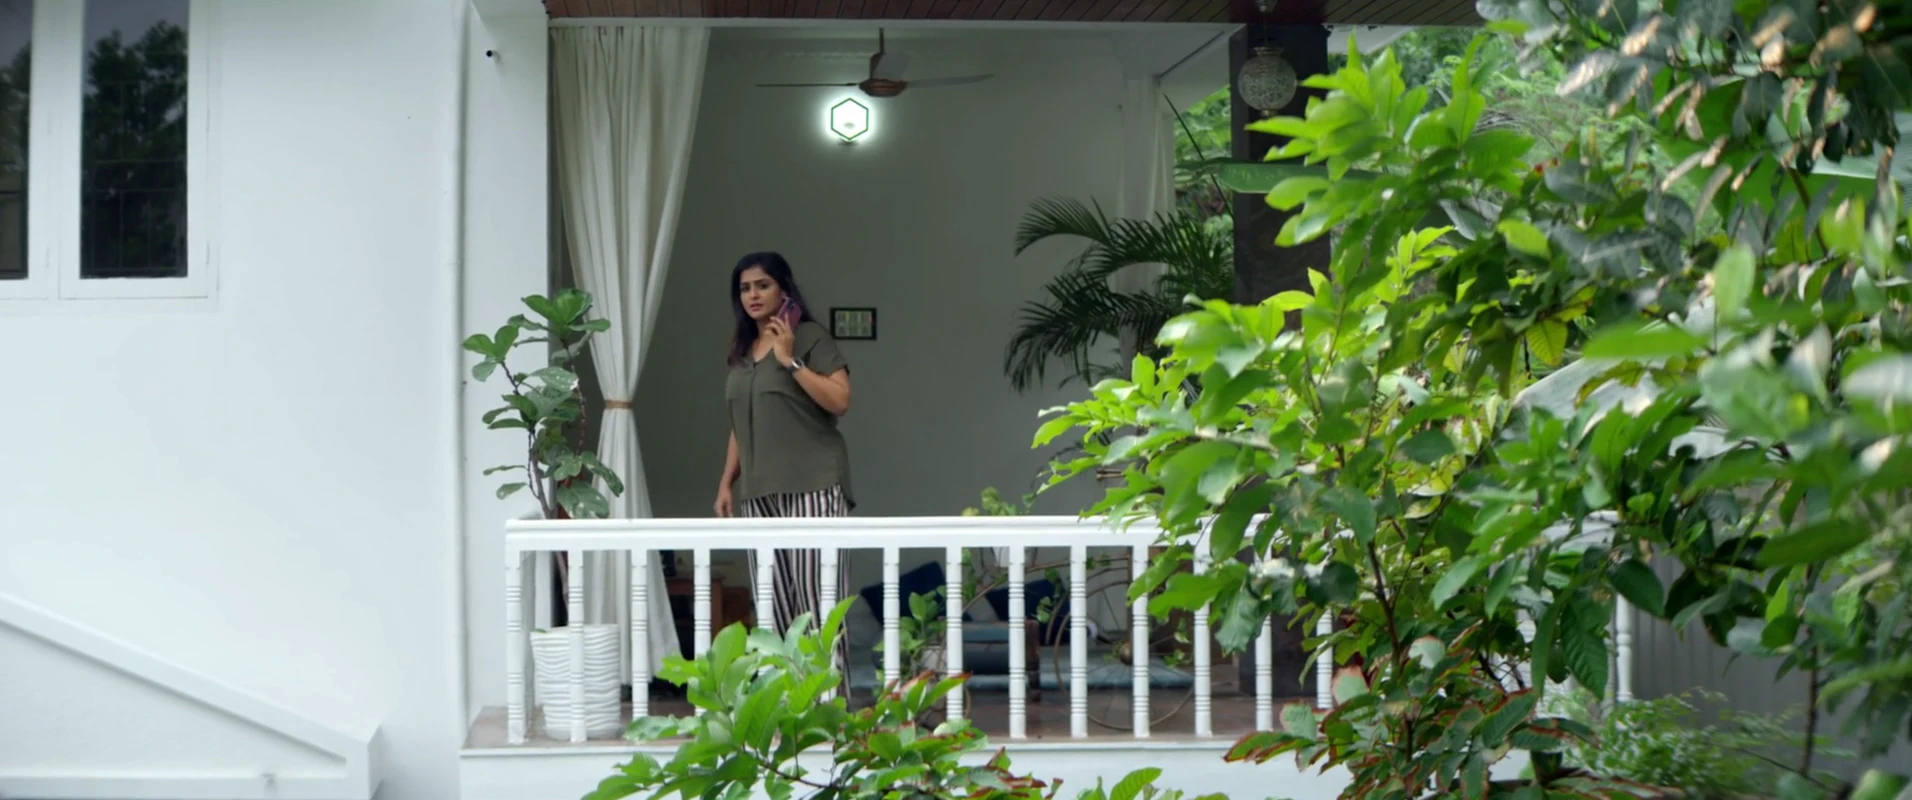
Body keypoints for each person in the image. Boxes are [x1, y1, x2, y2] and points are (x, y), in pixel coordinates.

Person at [714, 251, 853, 670]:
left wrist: (790, 361)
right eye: (745, 288)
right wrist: (726, 482)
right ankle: (785, 707)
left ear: (784, 289)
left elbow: (840, 400)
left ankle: (831, 705)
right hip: (759, 493)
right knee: (773, 614)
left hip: (813, 485)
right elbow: (741, 421)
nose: (753, 295)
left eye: (763, 285)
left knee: (818, 608)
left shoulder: (808, 336)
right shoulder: (742, 350)